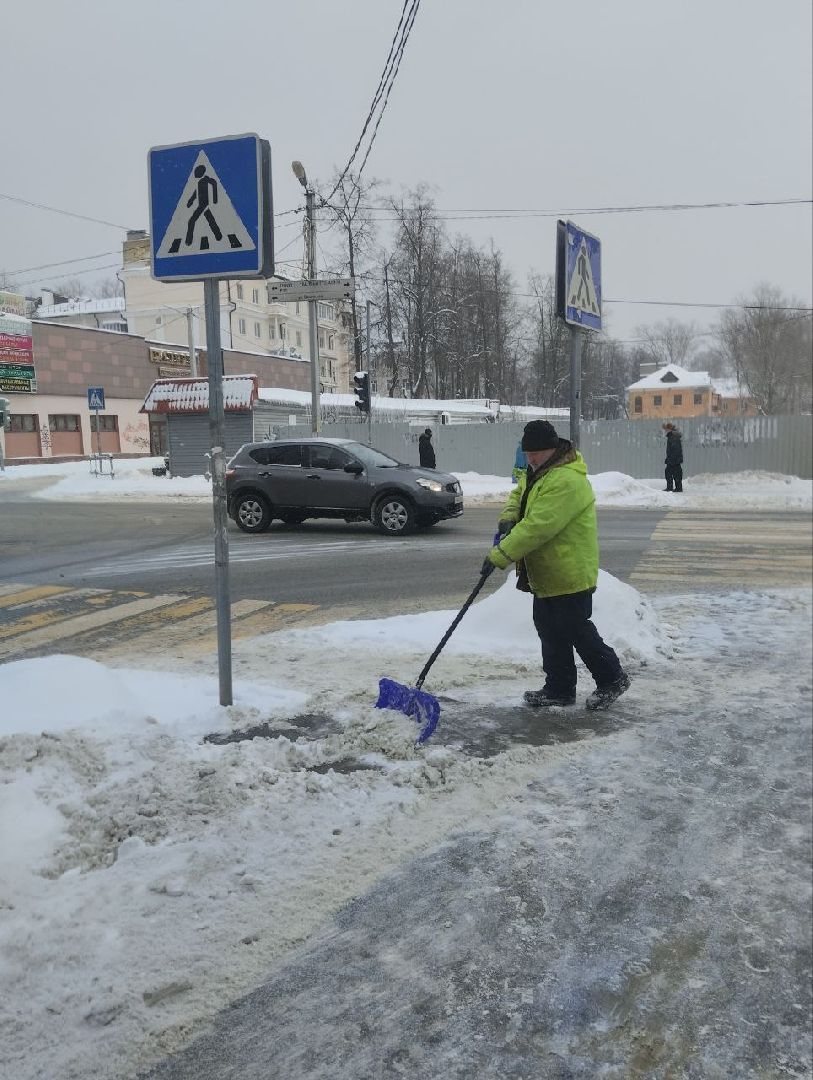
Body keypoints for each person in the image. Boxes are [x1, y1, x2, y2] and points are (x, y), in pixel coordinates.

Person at [481, 419, 630, 711]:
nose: (531, 459)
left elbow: (537, 527)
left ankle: (613, 678)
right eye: (527, 453)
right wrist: (509, 516)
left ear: (552, 449)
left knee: (576, 629)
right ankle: (559, 689)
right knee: (549, 629)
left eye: (536, 453)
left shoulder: (566, 480)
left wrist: (500, 555)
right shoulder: (539, 472)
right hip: (548, 573)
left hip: (569, 570)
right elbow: (519, 494)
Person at [663, 422, 684, 492]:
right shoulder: (672, 436)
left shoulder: (673, 437)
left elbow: (675, 450)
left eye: (665, 430)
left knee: (673, 473)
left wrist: (671, 460)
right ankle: (675, 488)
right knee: (674, 473)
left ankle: (676, 488)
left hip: (674, 460)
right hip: (674, 459)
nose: (664, 431)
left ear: (669, 429)